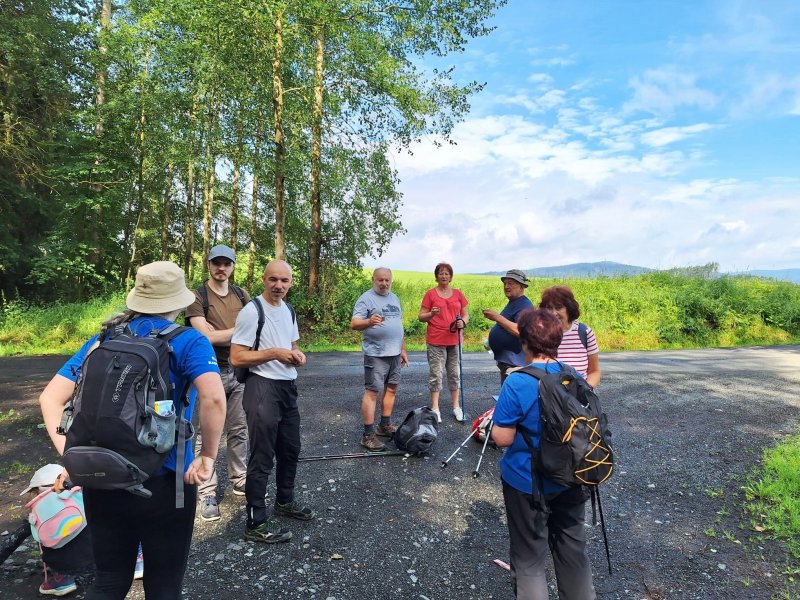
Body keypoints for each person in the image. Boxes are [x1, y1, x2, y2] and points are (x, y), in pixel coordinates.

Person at [38, 261, 226, 600]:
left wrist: (71, 455)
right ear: (181, 302)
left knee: (109, 581)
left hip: (100, 475)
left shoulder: (105, 337)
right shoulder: (190, 341)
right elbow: (214, 397)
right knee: (163, 587)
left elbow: (50, 397)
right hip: (166, 481)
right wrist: (209, 456)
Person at [491, 309, 596, 599]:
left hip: (528, 482)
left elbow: (502, 437)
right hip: (572, 476)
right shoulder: (572, 375)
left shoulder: (517, 381)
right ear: (557, 341)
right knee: (573, 553)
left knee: (529, 559)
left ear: (524, 342)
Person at [230, 260, 315, 544]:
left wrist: (297, 355)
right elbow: (237, 357)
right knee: (262, 454)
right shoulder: (251, 311)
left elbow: (291, 346)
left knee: (291, 448)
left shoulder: (288, 310)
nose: (279, 286)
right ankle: (255, 522)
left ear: (291, 283)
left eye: (285, 281)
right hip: (261, 387)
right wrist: (274, 353)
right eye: (273, 280)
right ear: (264, 280)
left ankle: (284, 502)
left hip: (287, 387)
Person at [185, 244, 251, 522]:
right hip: (207, 372)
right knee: (203, 435)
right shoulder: (196, 296)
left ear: (233, 267)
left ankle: (240, 479)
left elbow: (255, 328)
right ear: (208, 264)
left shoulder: (242, 295)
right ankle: (207, 492)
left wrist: (220, 332)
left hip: (240, 369)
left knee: (239, 429)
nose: (221, 268)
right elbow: (205, 338)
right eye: (216, 263)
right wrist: (238, 331)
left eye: (227, 264)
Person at [350, 267, 409, 452]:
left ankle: (384, 425)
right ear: (373, 280)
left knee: (391, 389)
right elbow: (354, 323)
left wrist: (403, 349)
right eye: (380, 280)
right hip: (376, 354)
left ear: (391, 280)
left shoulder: (394, 297)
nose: (384, 283)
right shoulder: (366, 298)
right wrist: (368, 321)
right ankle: (367, 436)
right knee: (372, 391)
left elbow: (398, 325)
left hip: (394, 354)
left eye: (387, 280)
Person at [21, 464, 94, 597]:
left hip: (63, 561)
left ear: (37, 490)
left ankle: (63, 579)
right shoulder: (80, 496)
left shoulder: (39, 510)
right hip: (95, 553)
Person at [418, 262, 469, 422]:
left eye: (447, 273)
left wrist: (464, 323)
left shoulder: (458, 294)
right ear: (436, 276)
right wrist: (431, 314)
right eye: (441, 273)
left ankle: (456, 407)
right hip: (436, 340)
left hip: (454, 340)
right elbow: (421, 316)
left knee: (454, 374)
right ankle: (435, 408)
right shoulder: (430, 294)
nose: (444, 276)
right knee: (436, 374)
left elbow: (465, 314)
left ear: (451, 276)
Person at [538, 285, 602, 389]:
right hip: (549, 399)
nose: (554, 313)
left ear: (569, 308)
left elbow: (594, 371)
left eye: (558, 308)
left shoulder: (585, 333)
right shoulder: (540, 334)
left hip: (580, 399)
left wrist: (586, 390)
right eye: (549, 308)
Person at [482, 269, 534, 384]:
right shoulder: (514, 302)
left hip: (515, 365)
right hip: (509, 363)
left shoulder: (524, 305)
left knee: (512, 398)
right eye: (505, 283)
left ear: (521, 286)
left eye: (510, 283)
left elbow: (521, 331)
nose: (506, 286)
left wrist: (496, 317)